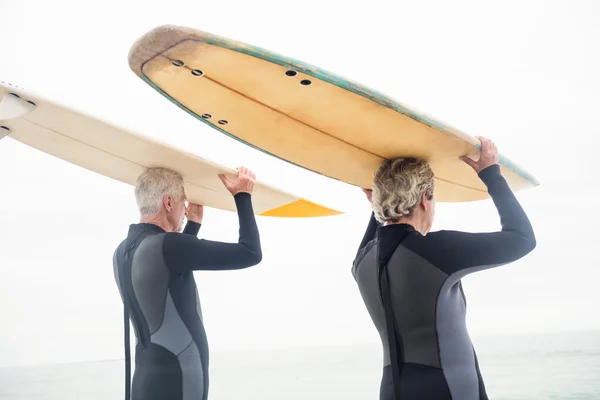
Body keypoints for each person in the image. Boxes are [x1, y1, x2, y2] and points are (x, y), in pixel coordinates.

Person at [352, 136, 536, 400]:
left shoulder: (362, 262)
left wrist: (378, 204)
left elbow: (380, 233)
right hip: (446, 388)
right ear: (425, 198)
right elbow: (523, 239)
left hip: (392, 391)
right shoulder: (436, 251)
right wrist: (491, 175)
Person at [112, 166, 262, 400]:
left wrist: (193, 224)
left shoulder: (122, 252)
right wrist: (242, 196)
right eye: (183, 201)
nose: (184, 210)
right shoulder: (170, 246)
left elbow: (165, 275)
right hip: (179, 381)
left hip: (143, 384)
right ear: (169, 203)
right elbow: (250, 253)